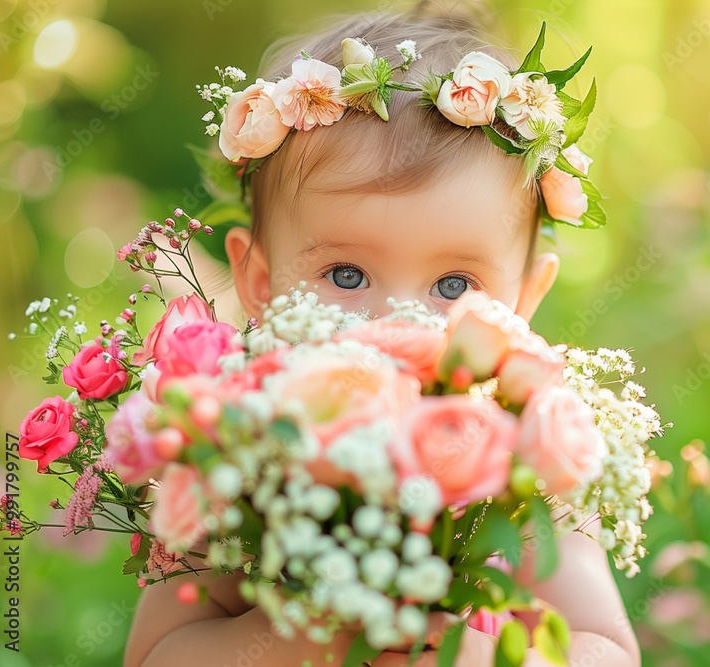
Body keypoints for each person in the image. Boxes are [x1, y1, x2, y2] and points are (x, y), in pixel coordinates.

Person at [123, 4, 638, 666]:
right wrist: (308, 636)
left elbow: (605, 650)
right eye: (346, 272)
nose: (398, 320)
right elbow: (156, 653)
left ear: (525, 297)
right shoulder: (239, 454)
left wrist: (483, 657)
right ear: (257, 281)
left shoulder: (528, 462)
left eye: (454, 285)